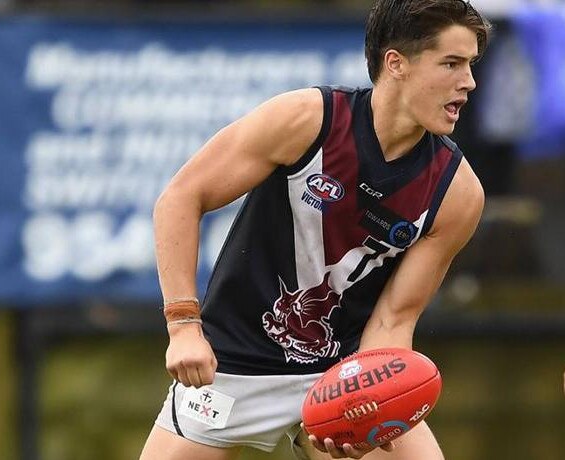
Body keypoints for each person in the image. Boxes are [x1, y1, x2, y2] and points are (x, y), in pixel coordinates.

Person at [140, 1, 491, 459]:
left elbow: (393, 321)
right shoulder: (307, 119)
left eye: (470, 64)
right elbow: (181, 198)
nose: (469, 82)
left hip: (340, 374)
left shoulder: (457, 193)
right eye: (451, 63)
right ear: (396, 64)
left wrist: (373, 402)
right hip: (230, 364)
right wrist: (184, 325)